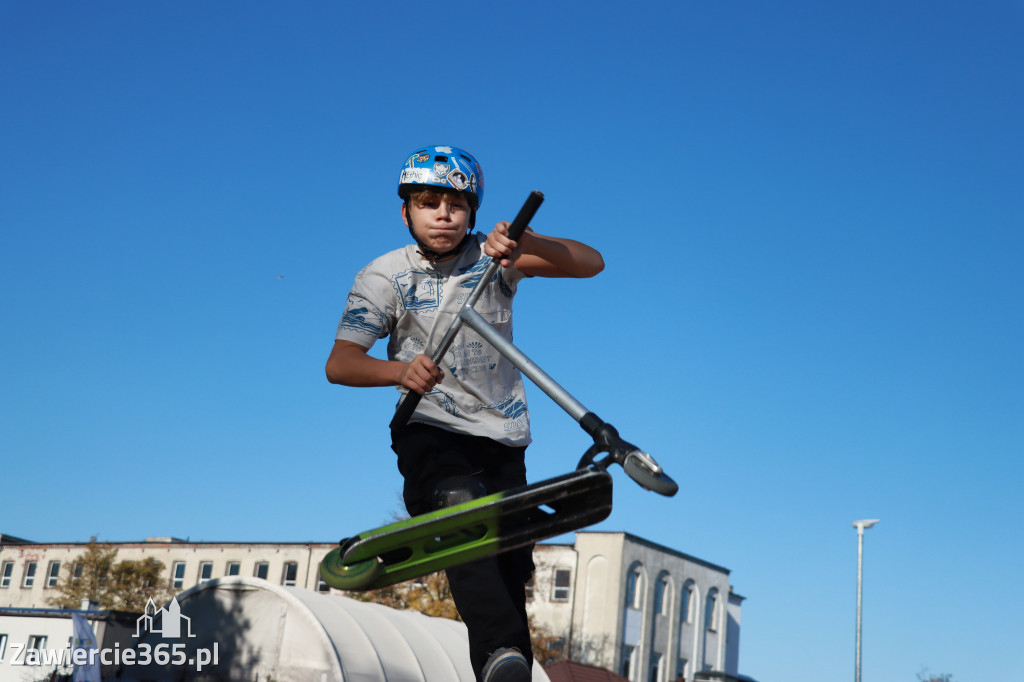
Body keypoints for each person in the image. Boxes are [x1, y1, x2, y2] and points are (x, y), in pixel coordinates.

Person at [326, 145, 604, 682]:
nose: (443, 215)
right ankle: (497, 647)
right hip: (427, 425)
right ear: (406, 212)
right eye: (428, 203)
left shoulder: (496, 259)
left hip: (502, 433)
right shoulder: (383, 277)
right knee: (462, 508)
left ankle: (509, 667)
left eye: (456, 204)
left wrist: (528, 242)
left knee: (506, 561)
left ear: (472, 213)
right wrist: (398, 372)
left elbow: (592, 264)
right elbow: (341, 363)